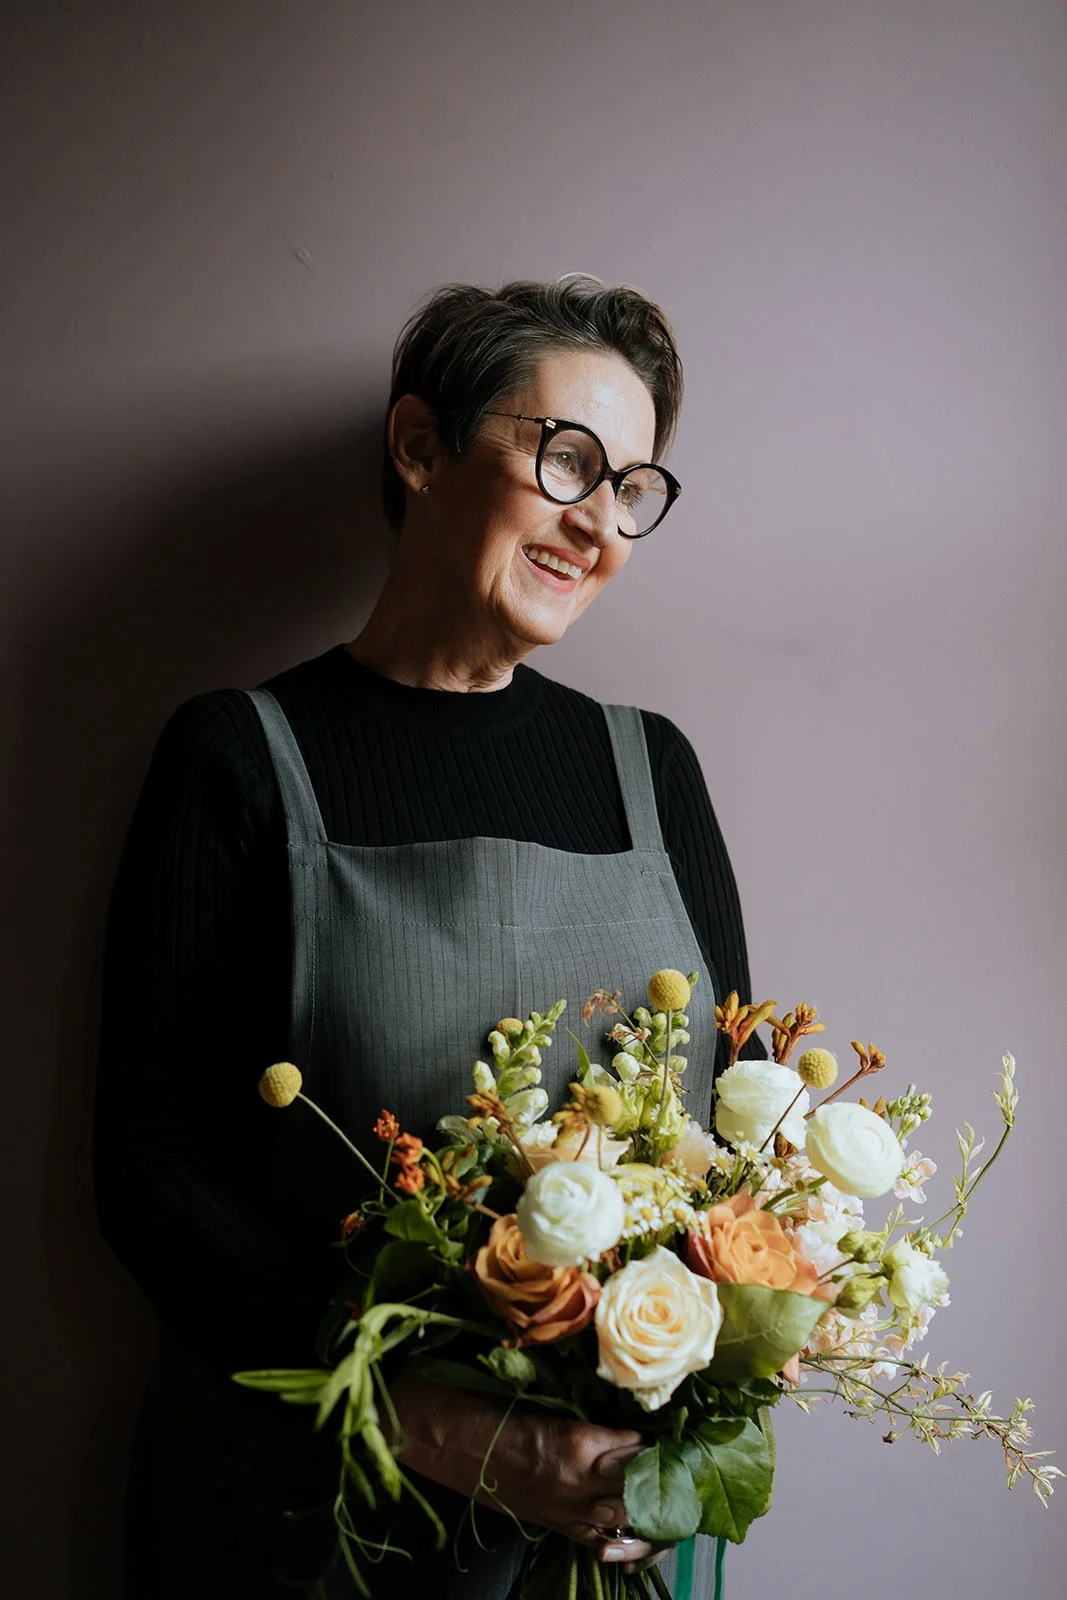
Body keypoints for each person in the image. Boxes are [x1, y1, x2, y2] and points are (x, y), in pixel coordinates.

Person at [94, 276, 765, 1599]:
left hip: (604, 1538)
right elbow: (145, 1158)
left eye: (631, 486)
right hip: (308, 1510)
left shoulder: (649, 771)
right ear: (418, 446)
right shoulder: (239, 758)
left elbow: (739, 1137)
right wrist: (423, 1414)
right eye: (564, 456)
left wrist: (687, 1409)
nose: (596, 519)